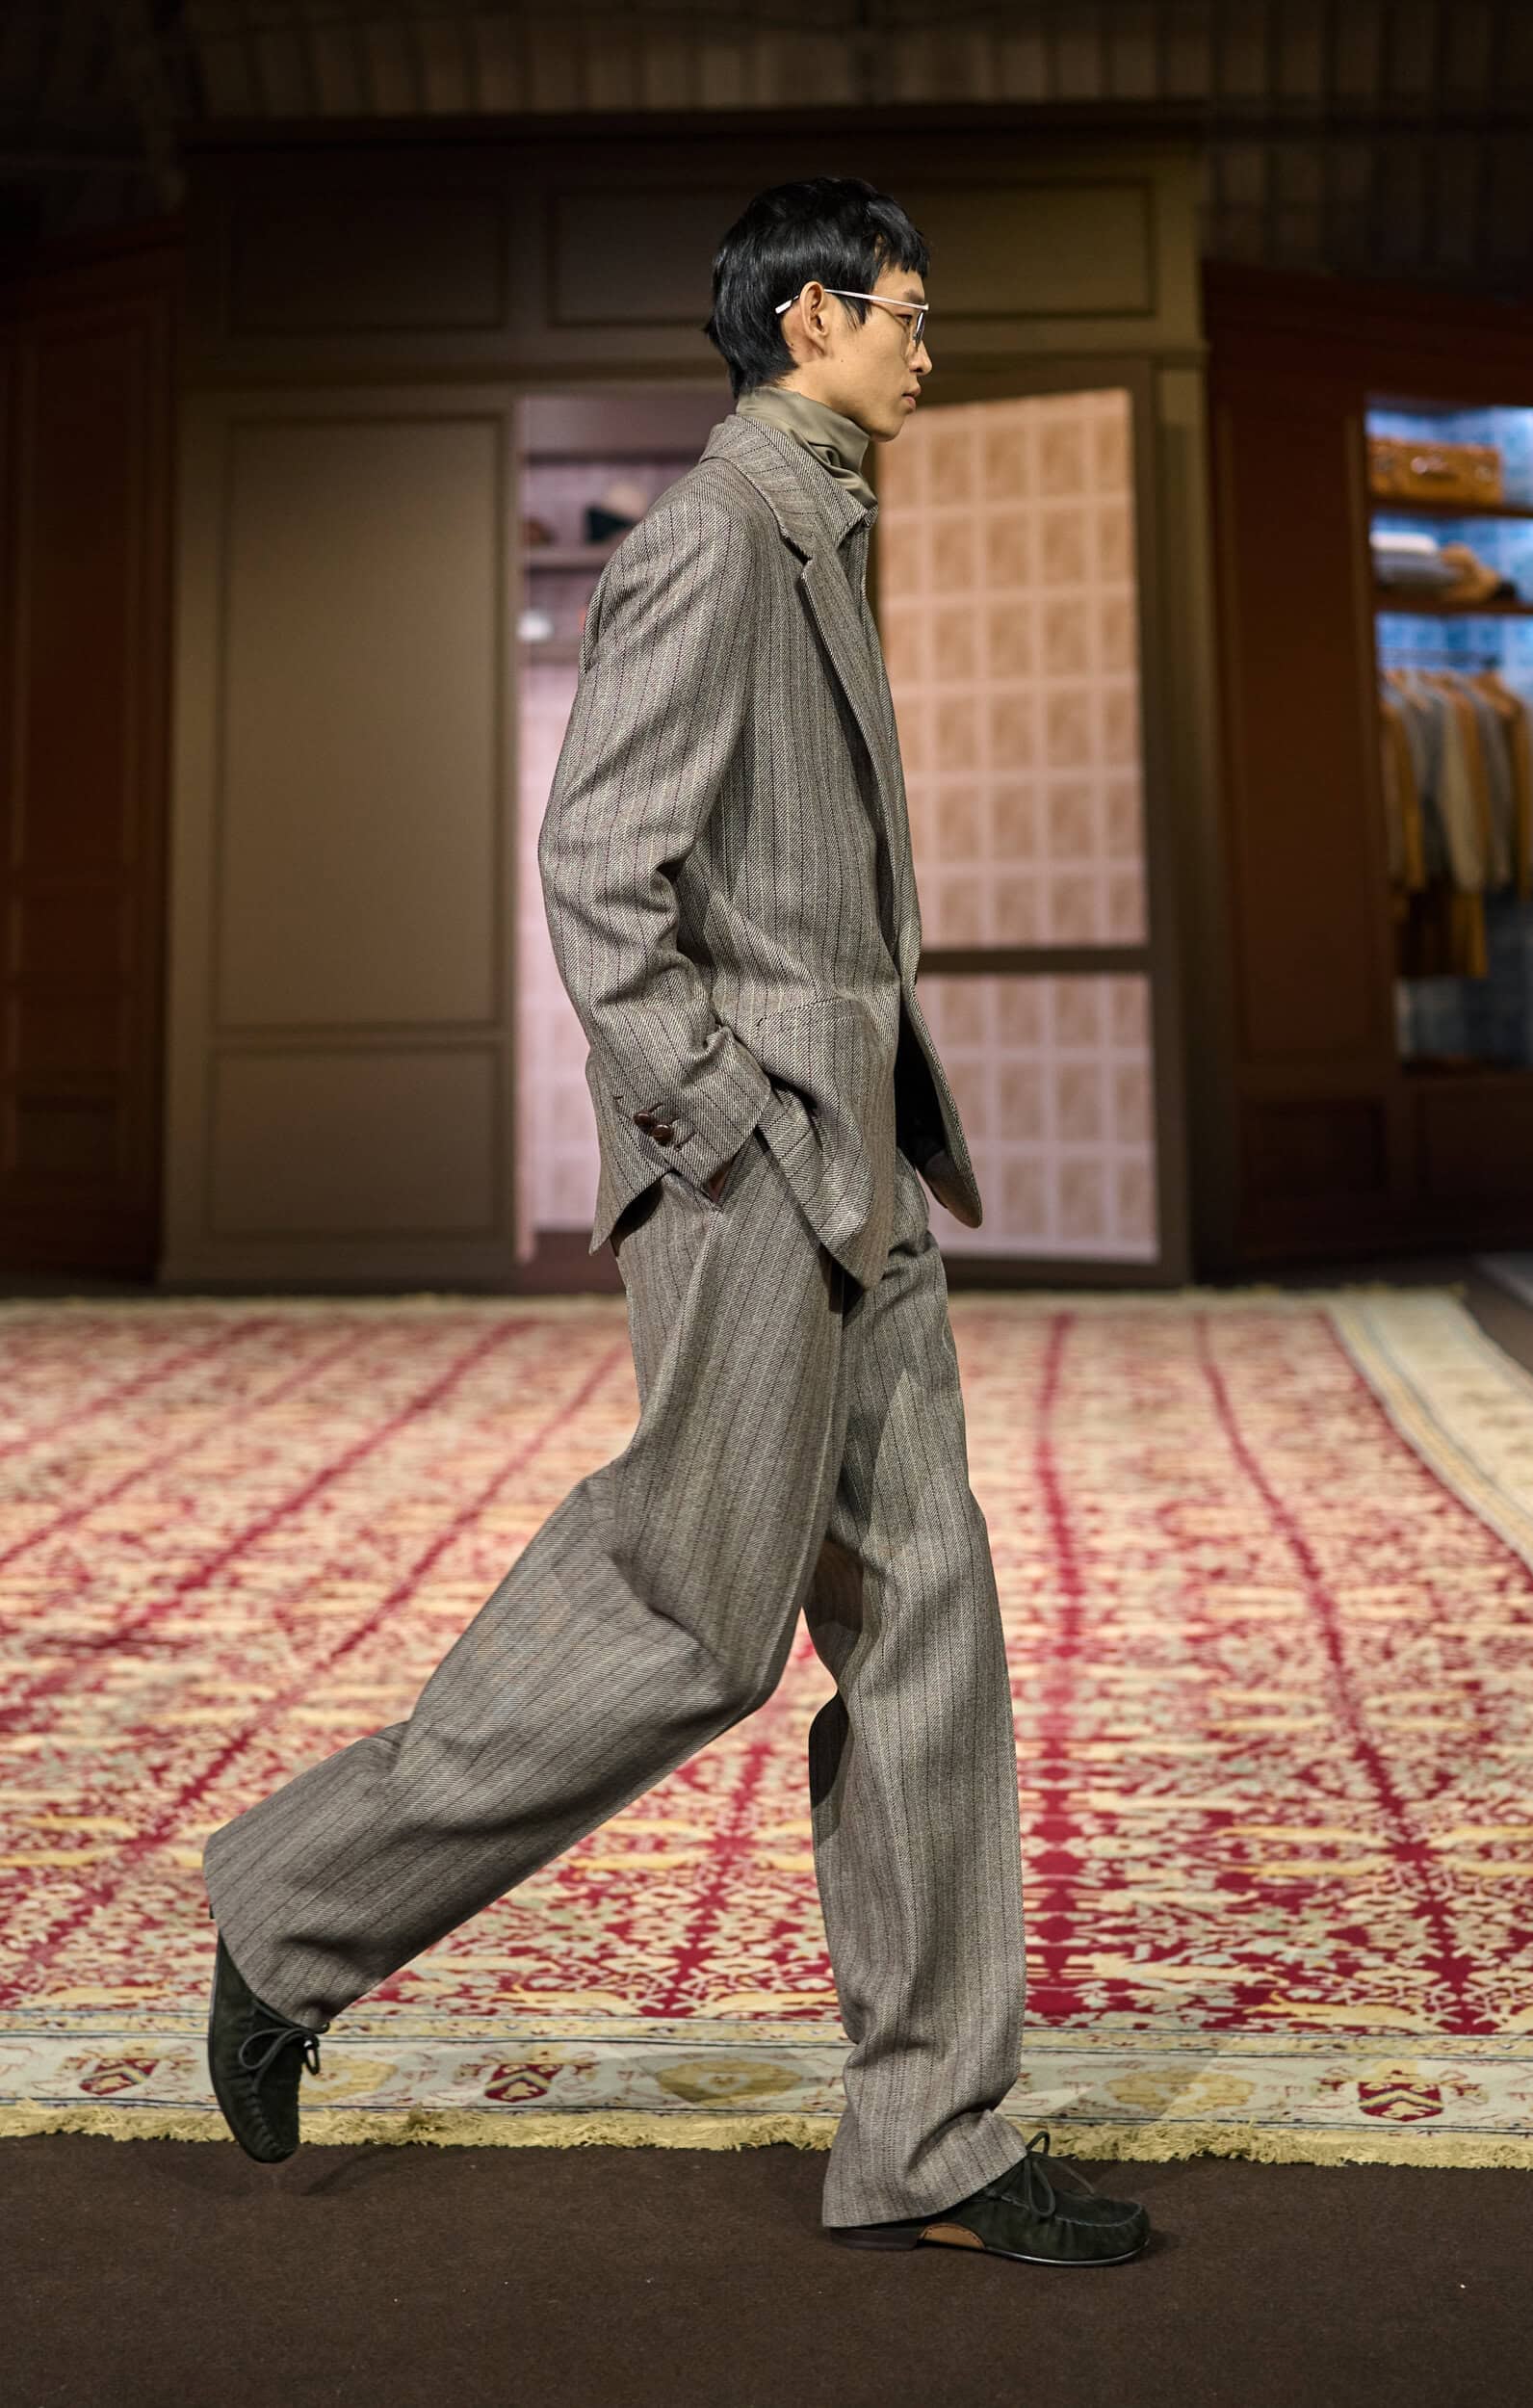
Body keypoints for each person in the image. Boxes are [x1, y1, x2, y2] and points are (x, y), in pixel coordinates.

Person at [201, 172, 1151, 2270]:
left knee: (929, 1625)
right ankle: (291, 1911)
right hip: (760, 1173)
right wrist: (721, 1125)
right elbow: (598, 863)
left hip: (860, 1163)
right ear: (810, 320)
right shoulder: (719, 533)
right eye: (907, 312)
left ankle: (934, 2137)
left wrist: (839, 1129)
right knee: (690, 1621)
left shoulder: (818, 520)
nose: (930, 347)